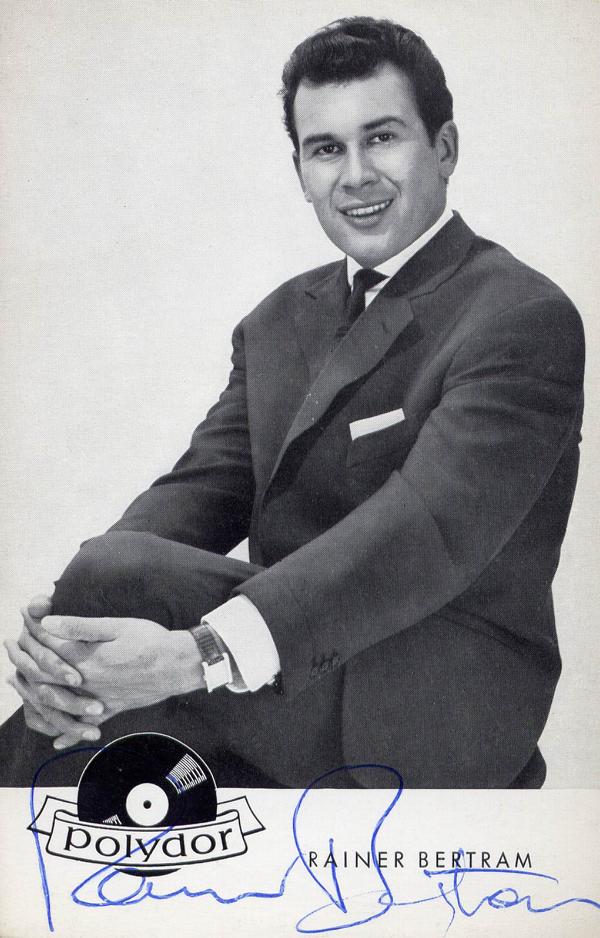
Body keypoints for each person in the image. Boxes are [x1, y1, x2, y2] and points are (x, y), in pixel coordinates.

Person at [1, 17, 584, 789]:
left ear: (444, 148)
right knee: (106, 576)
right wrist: (66, 623)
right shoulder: (280, 319)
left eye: (382, 138)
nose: (356, 176)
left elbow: (423, 533)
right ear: (301, 171)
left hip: (436, 706)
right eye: (326, 149)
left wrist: (198, 653)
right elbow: (200, 490)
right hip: (290, 682)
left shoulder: (520, 315)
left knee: (117, 583)